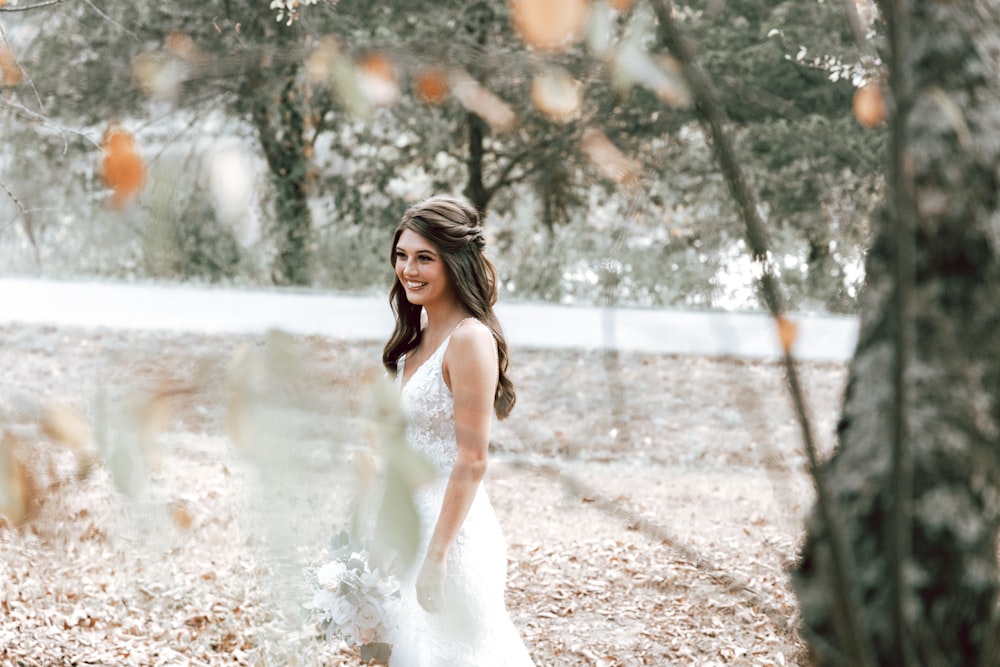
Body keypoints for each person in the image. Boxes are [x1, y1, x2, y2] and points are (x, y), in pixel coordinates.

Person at [381, 194, 535, 666]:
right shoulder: (414, 342)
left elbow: (472, 459)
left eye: (425, 257)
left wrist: (437, 554)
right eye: (402, 256)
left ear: (455, 263)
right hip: (411, 527)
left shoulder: (469, 339)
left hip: (453, 539)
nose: (409, 269)